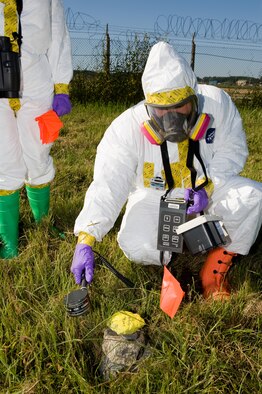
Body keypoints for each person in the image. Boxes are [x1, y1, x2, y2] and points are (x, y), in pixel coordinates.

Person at [70, 41, 262, 300]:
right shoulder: (124, 129)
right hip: (155, 197)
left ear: (194, 98)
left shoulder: (218, 103)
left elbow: (233, 149)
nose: (171, 117)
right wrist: (86, 238)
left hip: (206, 193)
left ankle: (214, 270)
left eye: (179, 106)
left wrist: (209, 185)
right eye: (161, 109)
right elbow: (108, 184)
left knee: (252, 197)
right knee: (135, 243)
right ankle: (170, 259)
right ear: (148, 105)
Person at [0, 0, 73, 258]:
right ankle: (8, 240)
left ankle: (43, 225)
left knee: (39, 153)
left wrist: (61, 86)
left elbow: (59, 36)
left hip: (37, 83)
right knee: (5, 160)